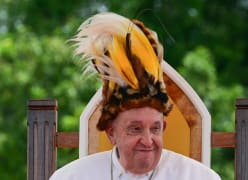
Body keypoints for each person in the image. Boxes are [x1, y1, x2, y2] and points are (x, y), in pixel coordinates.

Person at [50, 12, 221, 180]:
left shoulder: (199, 177)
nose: (148, 141)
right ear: (111, 133)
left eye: (155, 128)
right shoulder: (71, 177)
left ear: (164, 128)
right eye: (135, 129)